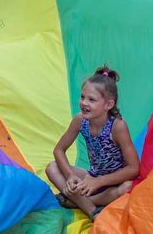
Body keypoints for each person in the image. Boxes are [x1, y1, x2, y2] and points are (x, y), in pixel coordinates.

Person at [45, 65, 141, 220]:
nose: (84, 103)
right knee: (52, 167)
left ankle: (77, 202)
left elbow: (134, 168)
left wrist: (99, 182)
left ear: (108, 105)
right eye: (82, 97)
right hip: (92, 178)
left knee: (127, 187)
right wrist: (70, 176)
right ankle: (92, 210)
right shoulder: (80, 121)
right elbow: (59, 150)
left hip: (114, 183)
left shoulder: (117, 127)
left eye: (91, 100)